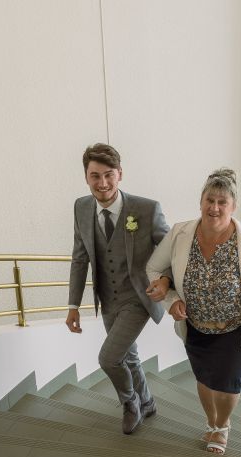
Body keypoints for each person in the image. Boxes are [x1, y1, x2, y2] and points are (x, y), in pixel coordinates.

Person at [146, 168, 241, 455]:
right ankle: (211, 423)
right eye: (209, 200)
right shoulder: (180, 233)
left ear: (233, 206)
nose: (214, 208)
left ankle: (223, 425)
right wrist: (170, 299)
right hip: (195, 326)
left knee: (229, 383)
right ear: (201, 201)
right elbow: (155, 268)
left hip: (237, 328)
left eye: (222, 202)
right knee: (204, 378)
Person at [66, 143, 172, 434]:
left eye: (109, 175)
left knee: (109, 358)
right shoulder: (81, 207)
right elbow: (80, 256)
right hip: (107, 299)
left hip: (138, 297)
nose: (102, 183)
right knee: (129, 356)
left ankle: (130, 403)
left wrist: (165, 282)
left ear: (120, 174)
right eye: (95, 176)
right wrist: (73, 306)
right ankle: (148, 401)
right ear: (86, 177)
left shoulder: (147, 209)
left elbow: (171, 252)